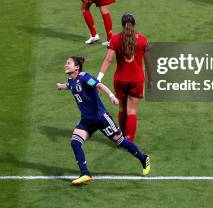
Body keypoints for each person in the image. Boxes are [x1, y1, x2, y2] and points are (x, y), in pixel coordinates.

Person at [57, 56, 151, 185]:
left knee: (120, 141)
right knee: (75, 142)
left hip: (101, 117)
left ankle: (143, 158)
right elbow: (71, 85)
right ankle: (85, 174)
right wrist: (62, 86)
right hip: (87, 121)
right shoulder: (71, 79)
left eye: (68, 63)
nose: (65, 65)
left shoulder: (85, 77)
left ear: (76, 68)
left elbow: (99, 85)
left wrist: (112, 96)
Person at [97, 13, 150, 141]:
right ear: (134, 24)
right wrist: (151, 80)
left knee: (122, 108)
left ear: (122, 24)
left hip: (120, 79)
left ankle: (121, 138)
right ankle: (129, 140)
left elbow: (108, 60)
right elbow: (148, 62)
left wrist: (98, 79)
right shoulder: (143, 39)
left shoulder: (115, 39)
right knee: (132, 111)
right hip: (136, 79)